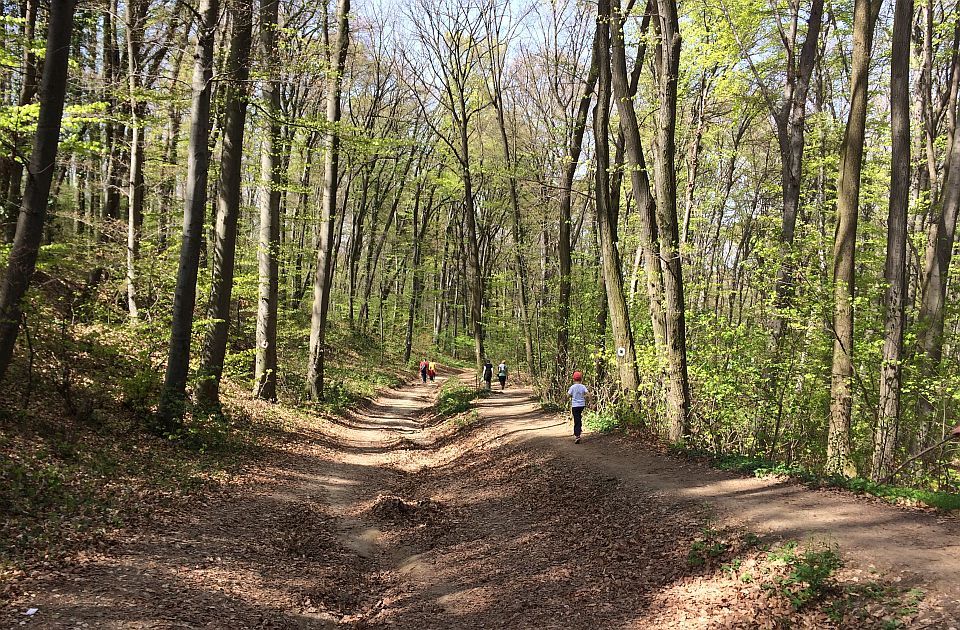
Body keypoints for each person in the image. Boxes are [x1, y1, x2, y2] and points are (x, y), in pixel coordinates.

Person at [567, 371, 588, 444]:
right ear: (581, 379)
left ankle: (577, 436)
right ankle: (579, 429)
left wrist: (569, 397)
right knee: (579, 418)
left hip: (575, 406)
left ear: (573, 379)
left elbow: (568, 395)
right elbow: (588, 394)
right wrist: (585, 397)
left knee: (576, 420)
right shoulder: (583, 386)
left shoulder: (572, 387)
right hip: (582, 405)